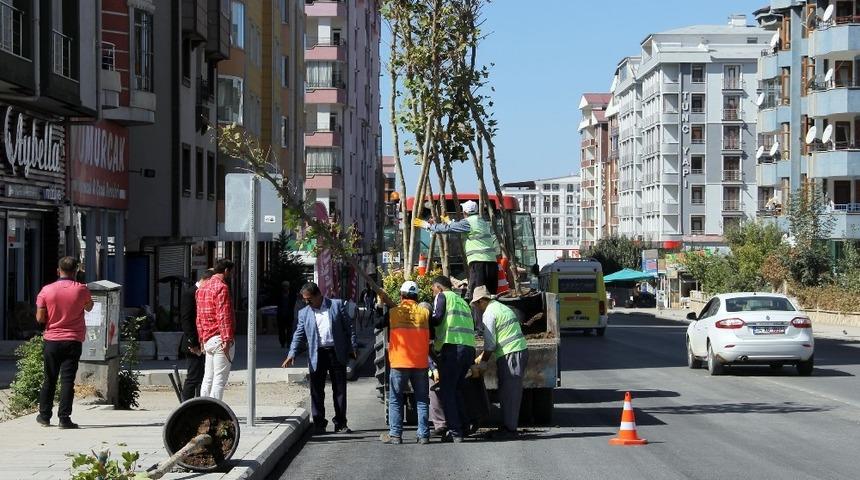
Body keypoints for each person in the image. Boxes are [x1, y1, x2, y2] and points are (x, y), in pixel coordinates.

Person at [283, 282, 358, 434]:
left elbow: (349, 327)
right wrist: (292, 353)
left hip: (336, 352)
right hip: (317, 354)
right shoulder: (304, 313)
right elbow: (299, 334)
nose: (306, 302)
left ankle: (341, 423)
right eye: (304, 299)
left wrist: (353, 347)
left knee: (340, 390)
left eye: (309, 299)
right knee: (316, 390)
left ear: (318, 295)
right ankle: (319, 423)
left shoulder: (336, 306)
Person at [35, 257, 94, 429]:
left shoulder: (46, 290)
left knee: (50, 378)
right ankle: (64, 418)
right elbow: (89, 307)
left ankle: (44, 416)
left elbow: (40, 318)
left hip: (52, 340)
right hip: (73, 340)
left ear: (57, 270)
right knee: (67, 380)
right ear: (76, 271)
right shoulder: (81, 289)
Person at [375, 281, 431, 445]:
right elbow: (432, 333)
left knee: (396, 399)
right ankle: (423, 436)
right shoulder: (424, 313)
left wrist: (380, 303)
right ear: (417, 296)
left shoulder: (394, 313)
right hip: (420, 363)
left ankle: (396, 435)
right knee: (421, 400)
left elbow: (377, 324)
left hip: (399, 363)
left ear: (401, 296)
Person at [472, 285, 528, 436]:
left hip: (511, 352)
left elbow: (490, 344)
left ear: (481, 301)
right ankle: (508, 425)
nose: (476, 308)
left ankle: (510, 428)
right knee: (507, 390)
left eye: (476, 304)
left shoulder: (489, 314)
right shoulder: (501, 307)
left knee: (510, 392)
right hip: (515, 351)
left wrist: (482, 361)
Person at [414, 200, 498, 299]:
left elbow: (448, 229)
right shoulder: (481, 221)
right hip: (491, 262)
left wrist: (428, 226)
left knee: (478, 295)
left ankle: (477, 314)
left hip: (478, 262)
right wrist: (450, 222)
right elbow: (459, 227)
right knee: (490, 294)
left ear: (465, 213)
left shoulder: (468, 223)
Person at [428, 275, 476, 442]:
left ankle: (455, 432)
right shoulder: (462, 301)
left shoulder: (442, 296)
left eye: (433, 290)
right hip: (468, 349)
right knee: (456, 390)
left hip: (452, 348)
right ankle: (463, 426)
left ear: (439, 288)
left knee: (448, 391)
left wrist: (424, 319)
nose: (433, 293)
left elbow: (437, 318)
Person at [196, 258, 236, 400]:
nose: (231, 275)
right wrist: (227, 339)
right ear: (226, 271)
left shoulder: (202, 288)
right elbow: (223, 315)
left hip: (207, 339)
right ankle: (215, 412)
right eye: (231, 272)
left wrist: (201, 339)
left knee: (208, 378)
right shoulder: (221, 288)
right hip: (219, 338)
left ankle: (202, 410)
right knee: (219, 380)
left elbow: (199, 317)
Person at [180, 270, 213, 401]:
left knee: (202, 377)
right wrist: (193, 343)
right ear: (206, 280)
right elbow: (186, 320)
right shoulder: (190, 293)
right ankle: (185, 406)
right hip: (193, 343)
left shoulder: (202, 293)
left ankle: (198, 403)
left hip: (202, 341)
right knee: (193, 377)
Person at [277, 281, 296, 349]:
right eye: (284, 286)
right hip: (281, 314)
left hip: (289, 315)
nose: (285, 287)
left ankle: (289, 343)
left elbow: (293, 303)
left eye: (286, 286)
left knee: (289, 330)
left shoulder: (292, 294)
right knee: (281, 330)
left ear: (289, 287)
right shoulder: (279, 294)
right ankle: (282, 342)